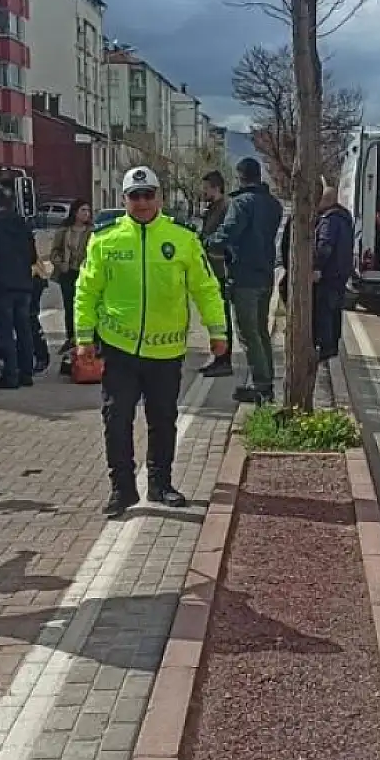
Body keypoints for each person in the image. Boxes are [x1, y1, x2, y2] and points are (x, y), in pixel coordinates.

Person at [76, 167, 228, 518]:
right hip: (120, 349)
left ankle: (161, 484)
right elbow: (86, 292)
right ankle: (122, 489)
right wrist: (84, 338)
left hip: (167, 351)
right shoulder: (105, 239)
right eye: (135, 196)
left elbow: (205, 288)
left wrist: (217, 332)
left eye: (148, 195)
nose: (142, 202)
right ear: (124, 199)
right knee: (117, 419)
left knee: (163, 420)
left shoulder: (183, 238)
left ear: (159, 197)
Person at [205, 157, 282, 403]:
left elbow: (229, 233)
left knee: (248, 333)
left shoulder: (241, 203)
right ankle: (267, 381)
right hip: (265, 273)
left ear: (240, 176)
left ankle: (261, 386)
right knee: (261, 330)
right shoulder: (273, 204)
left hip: (244, 275)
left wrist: (207, 243)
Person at [0, 186, 42, 387]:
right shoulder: (23, 226)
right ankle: (27, 373)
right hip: (23, 284)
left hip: (1, 285)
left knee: (5, 330)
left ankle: (11, 375)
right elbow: (32, 256)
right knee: (24, 329)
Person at [196, 172, 233, 378]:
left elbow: (224, 238)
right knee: (216, 318)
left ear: (215, 187)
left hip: (221, 270)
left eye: (206, 188)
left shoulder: (226, 207)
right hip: (211, 270)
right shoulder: (211, 209)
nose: (203, 192)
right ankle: (219, 358)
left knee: (222, 318)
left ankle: (224, 360)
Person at [313, 186, 355, 360]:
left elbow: (325, 246)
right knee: (335, 310)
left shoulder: (329, 220)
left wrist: (317, 267)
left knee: (325, 310)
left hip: (329, 273)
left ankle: (326, 346)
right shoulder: (345, 219)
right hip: (341, 272)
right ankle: (333, 345)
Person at [48, 201, 93, 351]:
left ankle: (86, 339)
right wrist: (60, 264)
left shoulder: (92, 232)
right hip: (67, 273)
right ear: (75, 212)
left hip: (85, 273)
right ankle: (70, 337)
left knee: (85, 305)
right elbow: (54, 252)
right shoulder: (63, 231)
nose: (87, 213)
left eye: (88, 210)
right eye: (83, 210)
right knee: (69, 305)